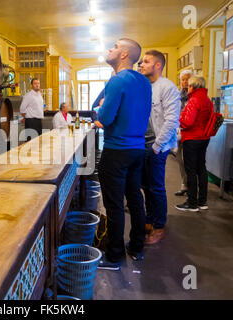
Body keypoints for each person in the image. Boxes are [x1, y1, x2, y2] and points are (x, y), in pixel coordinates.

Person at [95, 38, 152, 270]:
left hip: (116, 150)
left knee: (115, 204)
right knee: (136, 198)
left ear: (124, 55)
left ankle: (114, 255)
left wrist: (99, 110)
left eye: (115, 46)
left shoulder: (117, 81)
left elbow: (105, 118)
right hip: (138, 149)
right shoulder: (144, 82)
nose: (110, 49)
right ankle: (137, 248)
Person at [140, 50, 181, 245]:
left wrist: (157, 146)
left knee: (156, 187)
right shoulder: (145, 86)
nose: (142, 64)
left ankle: (159, 226)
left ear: (158, 65)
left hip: (158, 145)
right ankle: (149, 219)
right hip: (143, 143)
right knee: (146, 186)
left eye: (146, 62)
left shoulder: (167, 87)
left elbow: (172, 120)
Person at [176, 76, 213, 212]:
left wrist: (179, 119)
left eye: (189, 85)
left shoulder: (194, 100)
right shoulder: (207, 100)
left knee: (190, 170)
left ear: (193, 86)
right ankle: (202, 201)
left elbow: (188, 122)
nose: (187, 87)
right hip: (204, 138)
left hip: (192, 139)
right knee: (201, 169)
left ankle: (191, 203)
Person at [175, 70, 193, 197]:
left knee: (189, 159)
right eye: (183, 79)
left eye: (187, 79)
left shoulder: (194, 96)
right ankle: (184, 182)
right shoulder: (178, 95)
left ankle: (188, 185)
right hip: (178, 130)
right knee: (178, 156)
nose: (185, 82)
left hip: (190, 132)